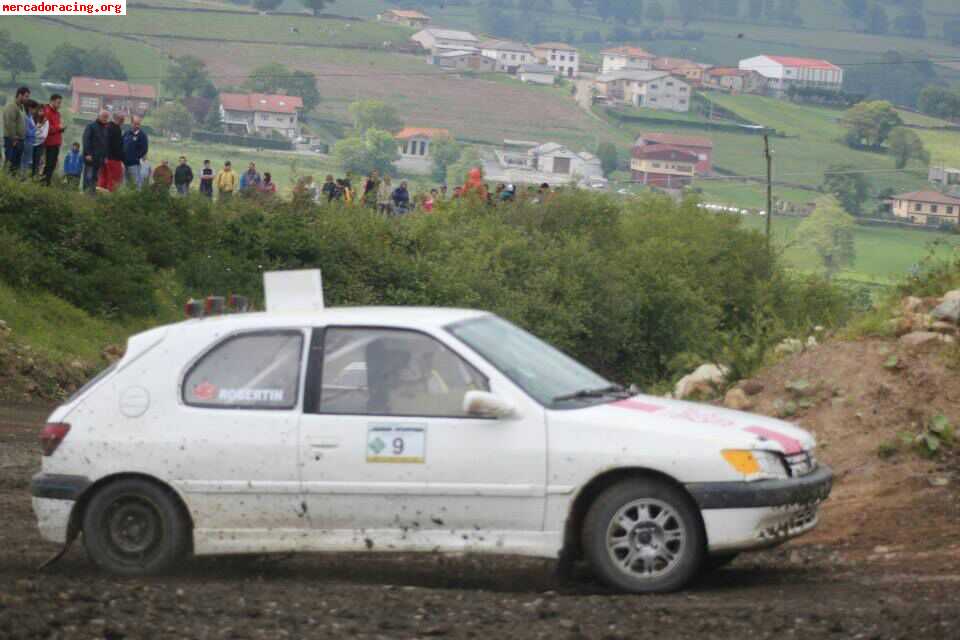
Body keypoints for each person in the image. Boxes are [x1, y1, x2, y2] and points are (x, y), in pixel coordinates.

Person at [81, 110, 110, 193]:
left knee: (95, 177)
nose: (105, 119)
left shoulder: (105, 128)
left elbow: (106, 143)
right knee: (88, 176)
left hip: (100, 158)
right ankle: (86, 194)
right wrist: (88, 154)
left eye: (106, 117)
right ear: (99, 116)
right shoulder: (91, 126)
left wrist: (105, 157)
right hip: (90, 157)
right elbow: (86, 140)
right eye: (104, 117)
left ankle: (92, 194)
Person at [3, 86, 29, 175]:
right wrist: (14, 138)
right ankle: (5, 183)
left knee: (16, 165)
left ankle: (13, 183)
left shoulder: (21, 107)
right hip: (13, 140)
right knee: (10, 163)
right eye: (26, 96)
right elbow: (9, 123)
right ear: (20, 95)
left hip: (20, 140)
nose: (27, 99)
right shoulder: (11, 106)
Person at [96, 112, 125, 192]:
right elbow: (117, 147)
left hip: (103, 158)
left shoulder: (106, 126)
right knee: (114, 180)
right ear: (120, 120)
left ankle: (99, 198)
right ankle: (110, 200)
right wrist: (122, 158)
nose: (123, 122)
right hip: (114, 159)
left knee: (102, 179)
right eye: (123, 120)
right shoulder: (116, 129)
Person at [41, 94, 65, 186]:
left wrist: (60, 128)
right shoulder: (47, 111)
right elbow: (47, 128)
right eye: (58, 103)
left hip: (56, 142)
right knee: (48, 164)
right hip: (48, 143)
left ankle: (47, 182)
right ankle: (44, 182)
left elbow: (56, 126)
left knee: (53, 164)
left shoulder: (57, 113)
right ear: (52, 101)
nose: (60, 105)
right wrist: (58, 128)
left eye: (60, 103)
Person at [122, 116, 149, 188]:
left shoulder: (142, 135)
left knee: (136, 183)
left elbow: (144, 149)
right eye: (135, 124)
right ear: (131, 123)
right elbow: (121, 144)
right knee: (125, 183)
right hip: (124, 163)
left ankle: (137, 197)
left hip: (134, 164)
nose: (137, 126)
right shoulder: (126, 133)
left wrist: (136, 157)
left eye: (138, 124)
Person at [29, 103, 49, 177]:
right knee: (29, 161)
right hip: (31, 143)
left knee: (37, 161)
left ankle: (34, 176)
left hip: (40, 144)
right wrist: (37, 130)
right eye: (40, 111)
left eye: (43, 111)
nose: (41, 112)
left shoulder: (46, 121)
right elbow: (30, 132)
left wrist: (36, 131)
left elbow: (44, 135)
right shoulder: (32, 119)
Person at [20, 100, 37, 174]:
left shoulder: (30, 117)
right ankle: (22, 176)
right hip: (27, 142)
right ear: (30, 108)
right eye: (34, 108)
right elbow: (27, 132)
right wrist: (36, 128)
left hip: (31, 142)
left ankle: (23, 175)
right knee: (24, 161)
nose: (35, 111)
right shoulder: (26, 118)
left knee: (27, 161)